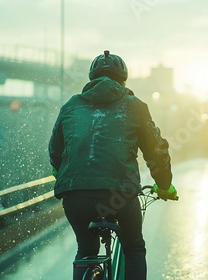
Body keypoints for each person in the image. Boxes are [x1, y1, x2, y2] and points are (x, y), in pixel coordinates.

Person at [48, 50, 178, 280]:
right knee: (134, 248)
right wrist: (165, 184)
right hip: (118, 195)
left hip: (75, 196)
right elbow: (156, 151)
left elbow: (55, 150)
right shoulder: (134, 106)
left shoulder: (71, 106)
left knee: (86, 251)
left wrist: (60, 171)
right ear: (123, 79)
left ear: (92, 78)